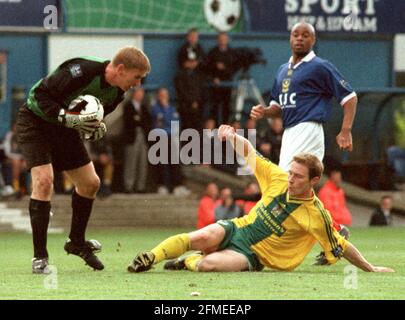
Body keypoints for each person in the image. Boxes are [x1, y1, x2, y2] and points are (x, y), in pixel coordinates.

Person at [127, 125, 393, 274]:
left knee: (208, 265)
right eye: (291, 172)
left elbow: (342, 245)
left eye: (298, 176)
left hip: (254, 256)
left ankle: (187, 261)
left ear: (313, 181)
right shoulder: (277, 177)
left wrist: (370, 268)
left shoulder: (316, 214)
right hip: (237, 227)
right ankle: (150, 257)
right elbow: (249, 152)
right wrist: (232, 137)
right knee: (202, 236)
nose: (291, 179)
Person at [16, 46, 151, 274]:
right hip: (35, 122)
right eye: (137, 77)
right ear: (120, 69)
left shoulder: (117, 93)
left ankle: (76, 242)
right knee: (44, 181)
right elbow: (37, 96)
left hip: (64, 129)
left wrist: (95, 129)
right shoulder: (82, 70)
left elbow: (90, 119)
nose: (138, 83)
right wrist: (64, 116)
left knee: (91, 183)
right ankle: (40, 257)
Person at [250, 22, 357, 172]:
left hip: (308, 128)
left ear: (313, 40)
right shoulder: (282, 70)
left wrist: (346, 130)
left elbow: (350, 97)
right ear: (290, 39)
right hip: (289, 131)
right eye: (296, 35)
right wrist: (265, 112)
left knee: (287, 178)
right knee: (298, 182)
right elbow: (280, 108)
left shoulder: (320, 66)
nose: (299, 38)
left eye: (305, 35)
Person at [122, 86, 151, 193]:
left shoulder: (144, 107)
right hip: (132, 137)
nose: (140, 95)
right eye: (139, 93)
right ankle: (129, 185)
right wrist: (138, 120)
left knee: (142, 162)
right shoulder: (128, 106)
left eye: (142, 93)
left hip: (142, 136)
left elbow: (146, 122)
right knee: (131, 162)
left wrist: (138, 120)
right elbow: (129, 122)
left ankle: (140, 186)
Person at [205, 32, 237, 124]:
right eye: (220, 39)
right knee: (214, 108)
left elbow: (234, 68)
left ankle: (225, 128)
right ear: (217, 40)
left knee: (226, 108)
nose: (222, 41)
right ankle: (215, 130)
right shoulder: (212, 52)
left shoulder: (232, 53)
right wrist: (213, 78)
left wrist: (224, 68)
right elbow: (207, 68)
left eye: (224, 39)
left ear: (227, 40)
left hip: (227, 85)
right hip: (215, 87)